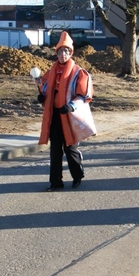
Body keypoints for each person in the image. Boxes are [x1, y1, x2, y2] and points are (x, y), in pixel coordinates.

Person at [37, 31, 95, 191]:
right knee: (55, 151)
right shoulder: (51, 72)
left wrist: (71, 106)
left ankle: (77, 176)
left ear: (71, 53)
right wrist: (42, 97)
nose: (63, 54)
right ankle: (56, 182)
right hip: (55, 116)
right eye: (60, 51)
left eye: (66, 51)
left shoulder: (79, 72)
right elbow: (45, 89)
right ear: (56, 53)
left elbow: (84, 95)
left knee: (70, 148)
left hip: (69, 117)